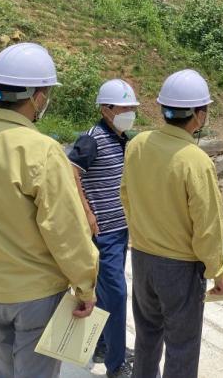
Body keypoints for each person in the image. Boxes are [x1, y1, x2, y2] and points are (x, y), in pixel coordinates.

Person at [0, 42, 99, 378]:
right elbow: (66, 231)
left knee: (6, 370)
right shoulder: (42, 150)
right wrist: (85, 285)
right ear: (37, 98)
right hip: (37, 295)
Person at [121, 69, 223, 378]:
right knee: (182, 348)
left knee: (146, 338)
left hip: (142, 259)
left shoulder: (138, 144)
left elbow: (126, 195)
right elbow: (207, 227)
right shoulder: (195, 161)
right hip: (180, 268)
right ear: (199, 115)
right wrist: (218, 271)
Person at [68, 79, 140, 378]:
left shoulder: (122, 139)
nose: (130, 113)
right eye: (124, 108)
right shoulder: (92, 140)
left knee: (105, 293)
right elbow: (71, 172)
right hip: (104, 234)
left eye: (132, 108)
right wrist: (86, 212)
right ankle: (117, 364)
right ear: (105, 109)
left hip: (120, 230)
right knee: (117, 294)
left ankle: (103, 345)